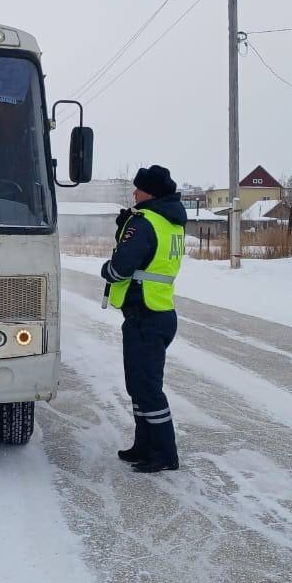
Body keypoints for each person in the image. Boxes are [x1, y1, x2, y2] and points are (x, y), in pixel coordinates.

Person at [100, 165, 187, 473]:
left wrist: (107, 270)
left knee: (147, 388)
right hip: (158, 313)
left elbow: (122, 266)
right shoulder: (171, 222)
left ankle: (165, 452)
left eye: (138, 189)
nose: (134, 193)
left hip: (145, 316)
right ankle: (144, 445)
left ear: (149, 192)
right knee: (139, 385)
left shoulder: (145, 222)